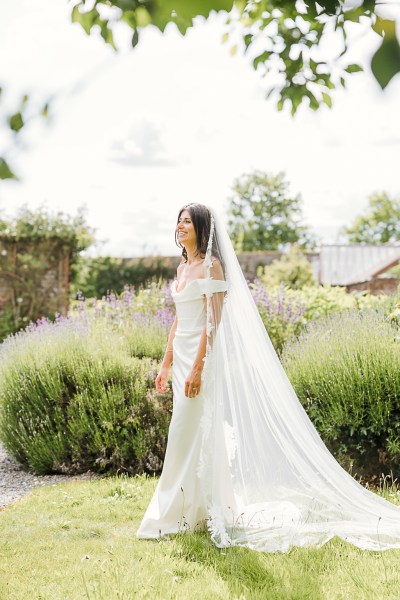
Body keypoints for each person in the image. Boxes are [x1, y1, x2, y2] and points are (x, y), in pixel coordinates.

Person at [137, 203, 400, 553]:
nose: (181, 225)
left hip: (202, 357)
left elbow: (213, 321)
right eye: (179, 220)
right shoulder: (184, 266)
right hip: (182, 357)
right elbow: (178, 319)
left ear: (202, 228)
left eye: (188, 221)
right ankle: (193, 510)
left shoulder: (211, 265)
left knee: (186, 429)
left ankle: (172, 513)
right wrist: (166, 362)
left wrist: (199, 366)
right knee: (188, 433)